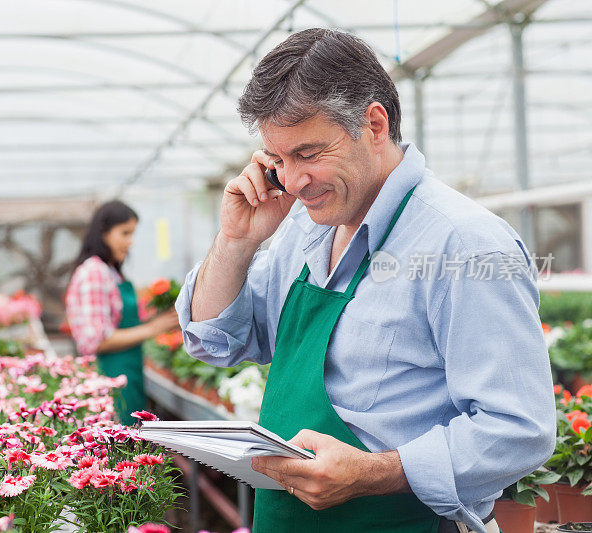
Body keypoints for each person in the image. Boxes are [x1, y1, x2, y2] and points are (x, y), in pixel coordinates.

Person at [176, 28, 555, 533]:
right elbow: (216, 341)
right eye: (278, 160)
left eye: (308, 153)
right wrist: (237, 240)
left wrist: (374, 473)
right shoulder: (301, 227)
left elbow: (518, 428)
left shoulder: (463, 243)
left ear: (374, 124)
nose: (291, 180)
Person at [66, 200, 178, 425]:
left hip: (128, 377)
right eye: (124, 233)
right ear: (103, 233)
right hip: (109, 381)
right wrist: (152, 329)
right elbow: (95, 341)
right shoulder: (94, 272)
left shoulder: (110, 272)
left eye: (132, 234)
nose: (130, 242)